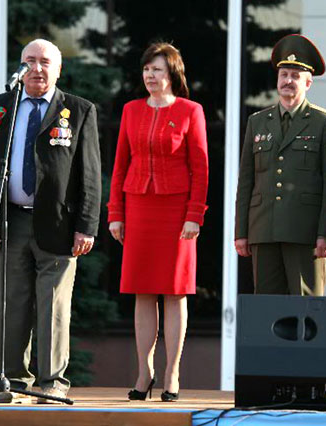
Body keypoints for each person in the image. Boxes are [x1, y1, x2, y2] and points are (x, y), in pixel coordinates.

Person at [0, 39, 101, 403]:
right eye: (30, 61)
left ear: (59, 70)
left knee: (54, 306)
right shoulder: (2, 108)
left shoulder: (78, 110)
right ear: (20, 67)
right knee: (13, 303)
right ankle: (12, 381)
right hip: (9, 224)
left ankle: (52, 382)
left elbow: (90, 175)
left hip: (58, 226)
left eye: (45, 62)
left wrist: (86, 226)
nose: (37, 68)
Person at [107, 42, 208, 402]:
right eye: (147, 69)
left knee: (175, 291)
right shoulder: (131, 110)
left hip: (177, 211)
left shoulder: (190, 111)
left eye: (158, 70)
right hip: (138, 207)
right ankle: (143, 372)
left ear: (172, 74)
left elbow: (201, 168)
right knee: (142, 291)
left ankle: (172, 372)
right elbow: (120, 165)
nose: (150, 76)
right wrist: (115, 213)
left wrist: (195, 215)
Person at [235, 34, 326, 296]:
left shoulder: (323, 121)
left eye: (295, 75)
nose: (288, 81)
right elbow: (246, 180)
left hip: (304, 232)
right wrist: (241, 231)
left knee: (307, 308)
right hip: (263, 229)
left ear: (308, 82)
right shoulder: (257, 122)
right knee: (267, 310)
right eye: (284, 75)